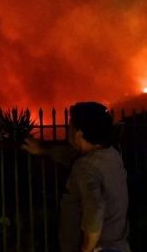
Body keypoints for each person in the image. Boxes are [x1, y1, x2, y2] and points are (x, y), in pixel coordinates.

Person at [22, 102, 130, 252]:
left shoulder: (85, 167)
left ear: (78, 133)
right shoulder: (112, 155)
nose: (68, 129)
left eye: (70, 125)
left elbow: (95, 209)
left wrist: (86, 249)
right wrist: (43, 151)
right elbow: (73, 157)